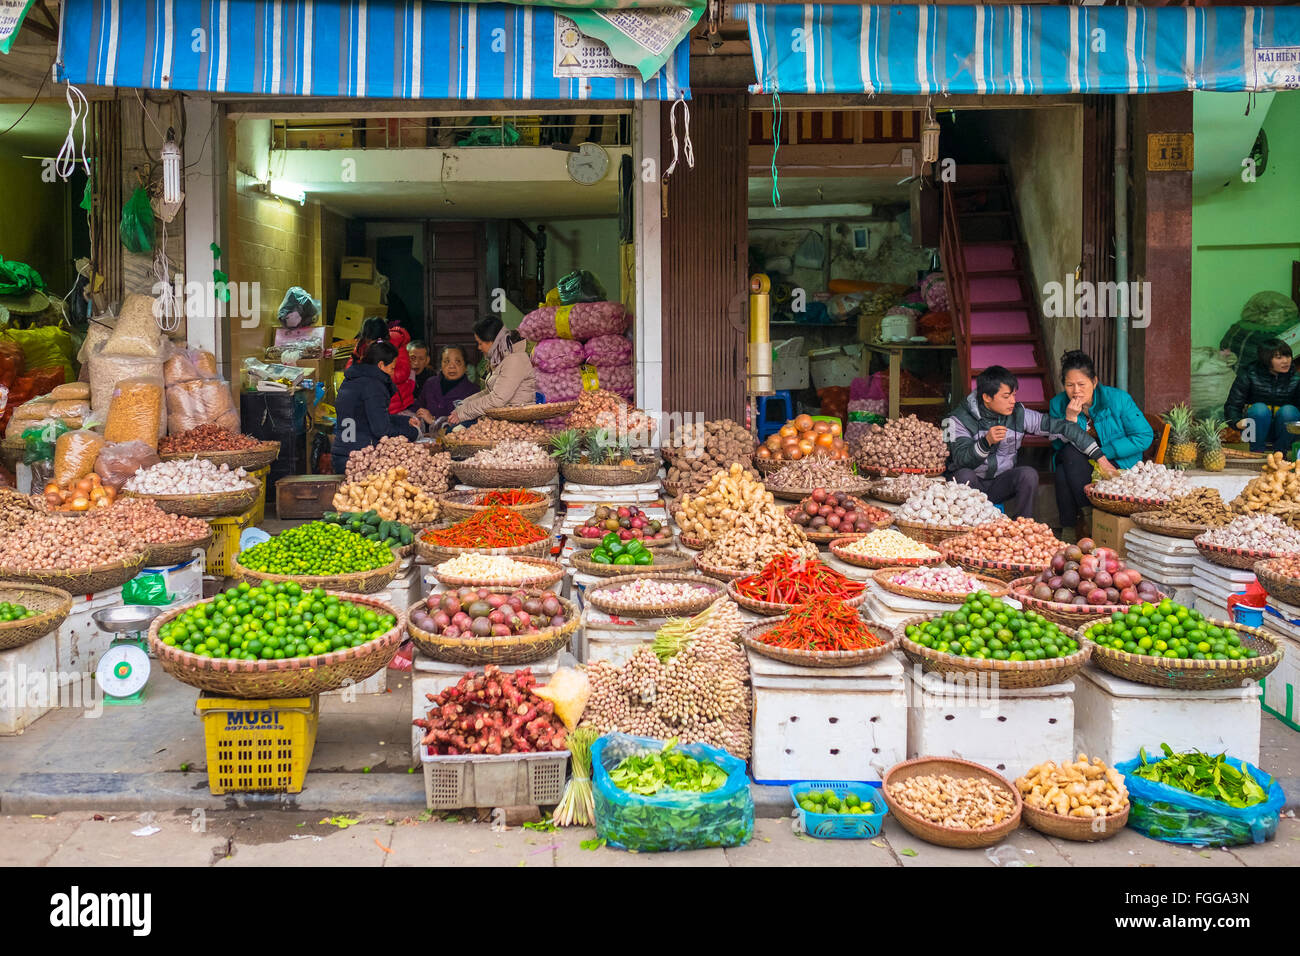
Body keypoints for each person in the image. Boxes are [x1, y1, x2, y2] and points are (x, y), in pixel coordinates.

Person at [945, 366, 1118, 520]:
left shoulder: (1018, 414)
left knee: (1027, 474)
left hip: (999, 483)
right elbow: (960, 459)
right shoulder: (957, 419)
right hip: (971, 486)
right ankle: (969, 526)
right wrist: (985, 442)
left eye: (1013, 395)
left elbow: (1064, 428)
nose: (1013, 401)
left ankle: (1022, 526)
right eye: (1006, 396)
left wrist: (1101, 459)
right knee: (963, 475)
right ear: (987, 397)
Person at [1048, 350, 1154, 540]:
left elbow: (1143, 436)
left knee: (1065, 469)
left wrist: (1103, 452)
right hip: (1079, 464)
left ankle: (1071, 529)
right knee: (1069, 456)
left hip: (1117, 464)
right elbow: (1057, 446)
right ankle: (1087, 517)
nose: (1076, 391)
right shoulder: (1058, 404)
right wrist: (1070, 421)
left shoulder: (1118, 399)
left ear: (1094, 382)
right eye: (1069, 385)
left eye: (1081, 384)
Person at [331, 340, 420, 474]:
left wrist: (404, 420)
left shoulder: (351, 380)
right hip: (359, 459)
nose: (392, 374)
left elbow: (367, 416)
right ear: (380, 365)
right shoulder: (373, 386)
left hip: (342, 453)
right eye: (392, 368)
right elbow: (381, 430)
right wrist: (414, 432)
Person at [448, 316, 537, 424]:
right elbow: (489, 392)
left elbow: (497, 399)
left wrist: (464, 412)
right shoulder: (500, 358)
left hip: (516, 425)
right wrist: (463, 405)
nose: (479, 348)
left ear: (492, 342)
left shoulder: (515, 360)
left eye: (480, 343)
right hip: (501, 421)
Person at [1224, 338, 1300, 453]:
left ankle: (1280, 454)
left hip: (1286, 431)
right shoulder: (1249, 373)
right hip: (1256, 428)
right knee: (1259, 409)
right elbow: (1233, 405)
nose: (1286, 361)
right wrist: (1236, 422)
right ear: (1266, 359)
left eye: (1288, 356)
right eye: (1279, 358)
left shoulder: (1295, 377)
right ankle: (1256, 453)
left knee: (1289, 411)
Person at [349, 317, 414, 414]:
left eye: (374, 342)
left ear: (384, 338)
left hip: (395, 403)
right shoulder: (362, 345)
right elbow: (351, 368)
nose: (370, 345)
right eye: (368, 341)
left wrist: (380, 373)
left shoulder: (397, 343)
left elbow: (403, 373)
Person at [416, 345, 478, 424]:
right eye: (446, 361)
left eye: (457, 362)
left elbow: (470, 424)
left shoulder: (473, 391)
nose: (452, 366)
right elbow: (418, 407)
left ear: (465, 366)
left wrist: (434, 421)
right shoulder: (430, 384)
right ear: (441, 365)